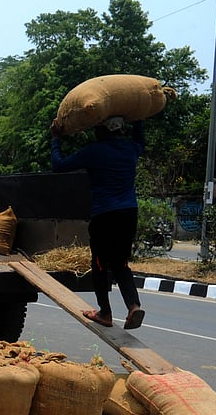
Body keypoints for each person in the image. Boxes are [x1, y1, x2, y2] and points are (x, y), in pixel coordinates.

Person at [50, 115, 147, 330]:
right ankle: (133, 306)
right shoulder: (131, 149)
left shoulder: (94, 152)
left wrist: (56, 139)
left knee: (100, 264)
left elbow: (59, 165)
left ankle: (105, 313)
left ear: (102, 131)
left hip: (104, 215)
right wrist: (138, 119)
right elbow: (140, 138)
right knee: (121, 263)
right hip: (129, 213)